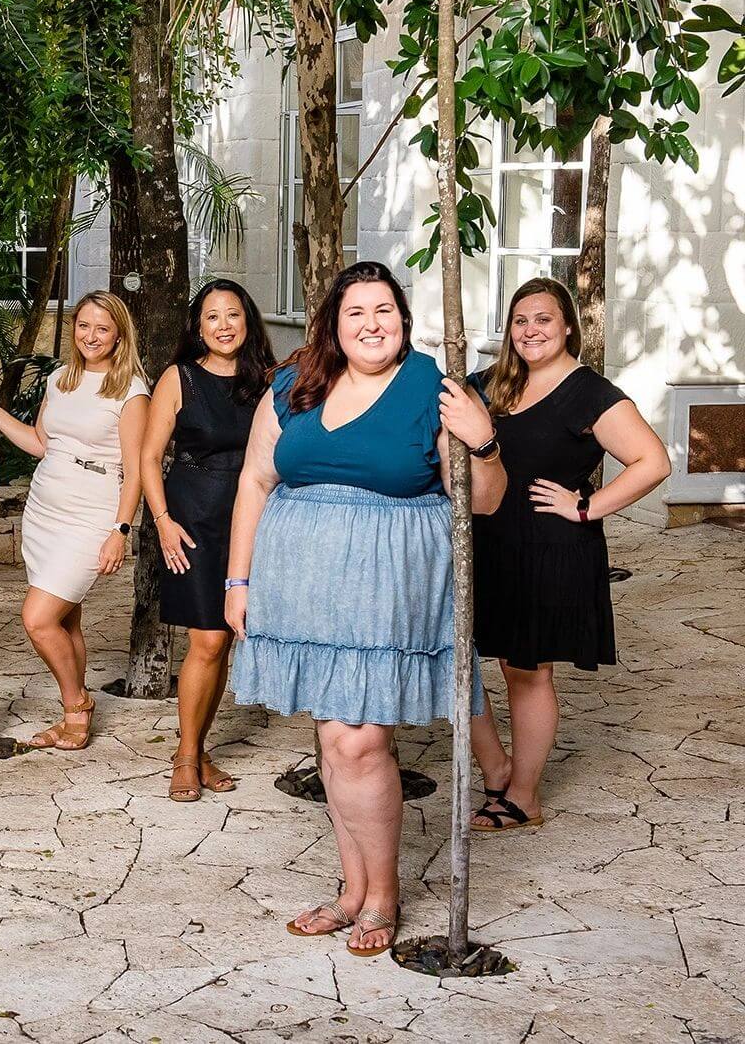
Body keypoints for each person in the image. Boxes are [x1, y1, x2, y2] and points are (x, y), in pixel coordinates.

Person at [225, 261, 505, 957]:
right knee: (330, 740)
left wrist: (485, 439)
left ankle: (383, 896)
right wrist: (237, 580)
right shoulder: (293, 386)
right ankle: (351, 891)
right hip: (303, 590)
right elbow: (256, 480)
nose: (372, 323)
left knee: (357, 739)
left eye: (385, 310)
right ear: (334, 323)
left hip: (386, 587)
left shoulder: (433, 390)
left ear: (404, 321)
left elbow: (488, 500)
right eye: (357, 312)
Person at [467, 277, 670, 832]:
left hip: (550, 547)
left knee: (528, 671)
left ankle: (524, 795)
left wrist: (587, 507)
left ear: (568, 327)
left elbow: (653, 461)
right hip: (492, 543)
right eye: (520, 320)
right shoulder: (494, 384)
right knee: (482, 664)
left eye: (544, 319)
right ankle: (500, 770)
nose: (531, 330)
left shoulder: (588, 391)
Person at [0, 290, 150, 750]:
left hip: (92, 513)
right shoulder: (61, 378)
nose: (91, 336)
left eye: (103, 328)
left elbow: (136, 470)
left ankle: (77, 704)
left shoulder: (131, 390)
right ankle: (72, 721)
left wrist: (121, 530)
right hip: (45, 507)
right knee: (67, 622)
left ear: (119, 334)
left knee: (38, 619)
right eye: (84, 325)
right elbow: (42, 441)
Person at [141, 279, 275, 800]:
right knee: (208, 640)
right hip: (192, 519)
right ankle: (186, 754)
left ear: (248, 322)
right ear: (198, 326)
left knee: (223, 640)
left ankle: (198, 748)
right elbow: (150, 457)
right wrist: (163, 520)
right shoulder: (179, 378)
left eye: (233, 315)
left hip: (249, 521)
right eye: (213, 316)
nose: (224, 325)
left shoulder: (266, 380)